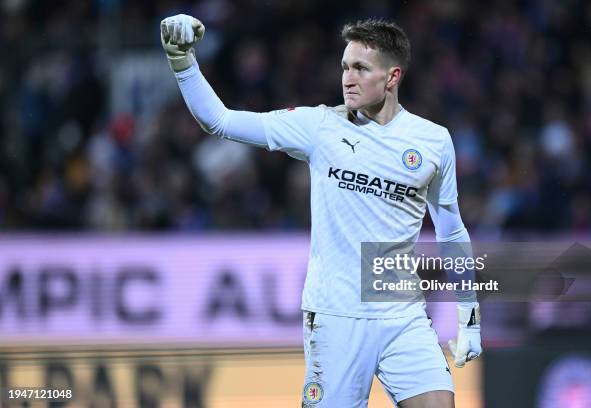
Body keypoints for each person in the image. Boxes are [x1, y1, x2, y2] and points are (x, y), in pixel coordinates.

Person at [160, 14, 482, 408]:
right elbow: (220, 120)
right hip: (335, 318)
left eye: (361, 68)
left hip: (404, 316)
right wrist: (182, 61)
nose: (348, 78)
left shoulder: (433, 141)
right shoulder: (319, 127)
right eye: (345, 67)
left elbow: (451, 233)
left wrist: (468, 315)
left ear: (392, 77)